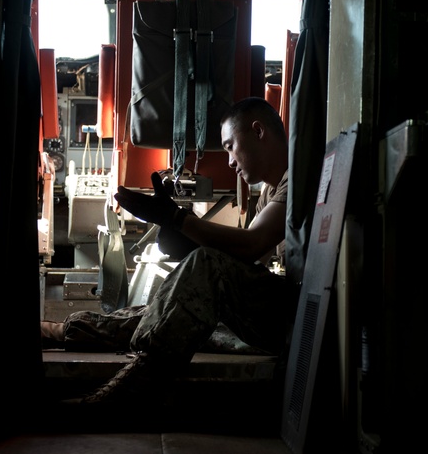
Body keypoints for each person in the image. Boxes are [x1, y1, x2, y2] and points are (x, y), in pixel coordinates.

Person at [41, 96, 291, 403]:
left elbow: (251, 245)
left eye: (230, 146)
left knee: (205, 266)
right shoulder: (271, 190)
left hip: (292, 319)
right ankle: (57, 331)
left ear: (258, 131)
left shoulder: (297, 178)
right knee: (170, 308)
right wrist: (184, 234)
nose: (229, 161)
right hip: (279, 314)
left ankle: (136, 385)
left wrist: (178, 219)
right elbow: (243, 258)